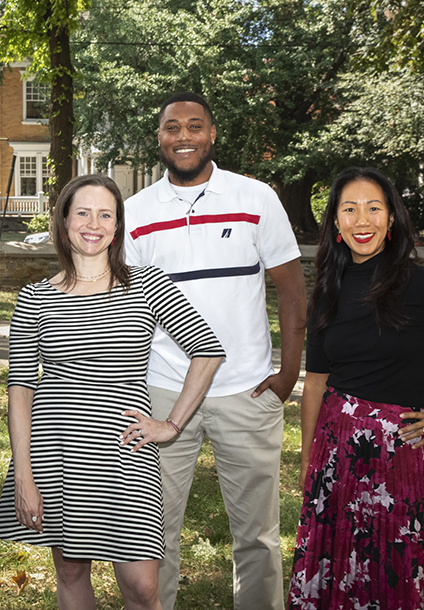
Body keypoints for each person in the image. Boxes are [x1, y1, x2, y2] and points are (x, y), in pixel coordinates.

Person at [0, 173, 225, 610]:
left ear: (117, 227)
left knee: (142, 587)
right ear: (64, 222)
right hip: (54, 450)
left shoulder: (147, 283)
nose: (92, 223)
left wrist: (172, 424)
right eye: (82, 212)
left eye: (105, 214)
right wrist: (22, 472)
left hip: (124, 453)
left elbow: (207, 351)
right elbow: (20, 388)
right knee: (71, 572)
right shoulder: (35, 298)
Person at [288, 167, 424, 609]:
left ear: (391, 219)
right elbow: (315, 382)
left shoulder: (423, 285)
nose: (361, 219)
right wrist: (309, 460)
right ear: (335, 222)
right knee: (336, 566)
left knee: (396, 567)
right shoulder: (327, 290)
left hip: (399, 452)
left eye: (373, 208)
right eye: (349, 209)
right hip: (337, 451)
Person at [123, 91, 307, 610]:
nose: (184, 136)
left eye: (194, 126)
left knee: (258, 537)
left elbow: (292, 289)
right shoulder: (135, 213)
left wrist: (287, 373)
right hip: (160, 392)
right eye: (172, 127)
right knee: (153, 537)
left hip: (246, 391)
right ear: (158, 138)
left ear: (212, 134)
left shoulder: (256, 198)